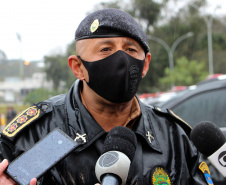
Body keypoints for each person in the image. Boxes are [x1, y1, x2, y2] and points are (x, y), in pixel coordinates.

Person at [0, 8, 211, 185]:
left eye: (130, 49)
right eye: (106, 49)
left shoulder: (174, 137)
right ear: (78, 67)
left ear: (145, 64)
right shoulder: (37, 136)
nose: (121, 59)